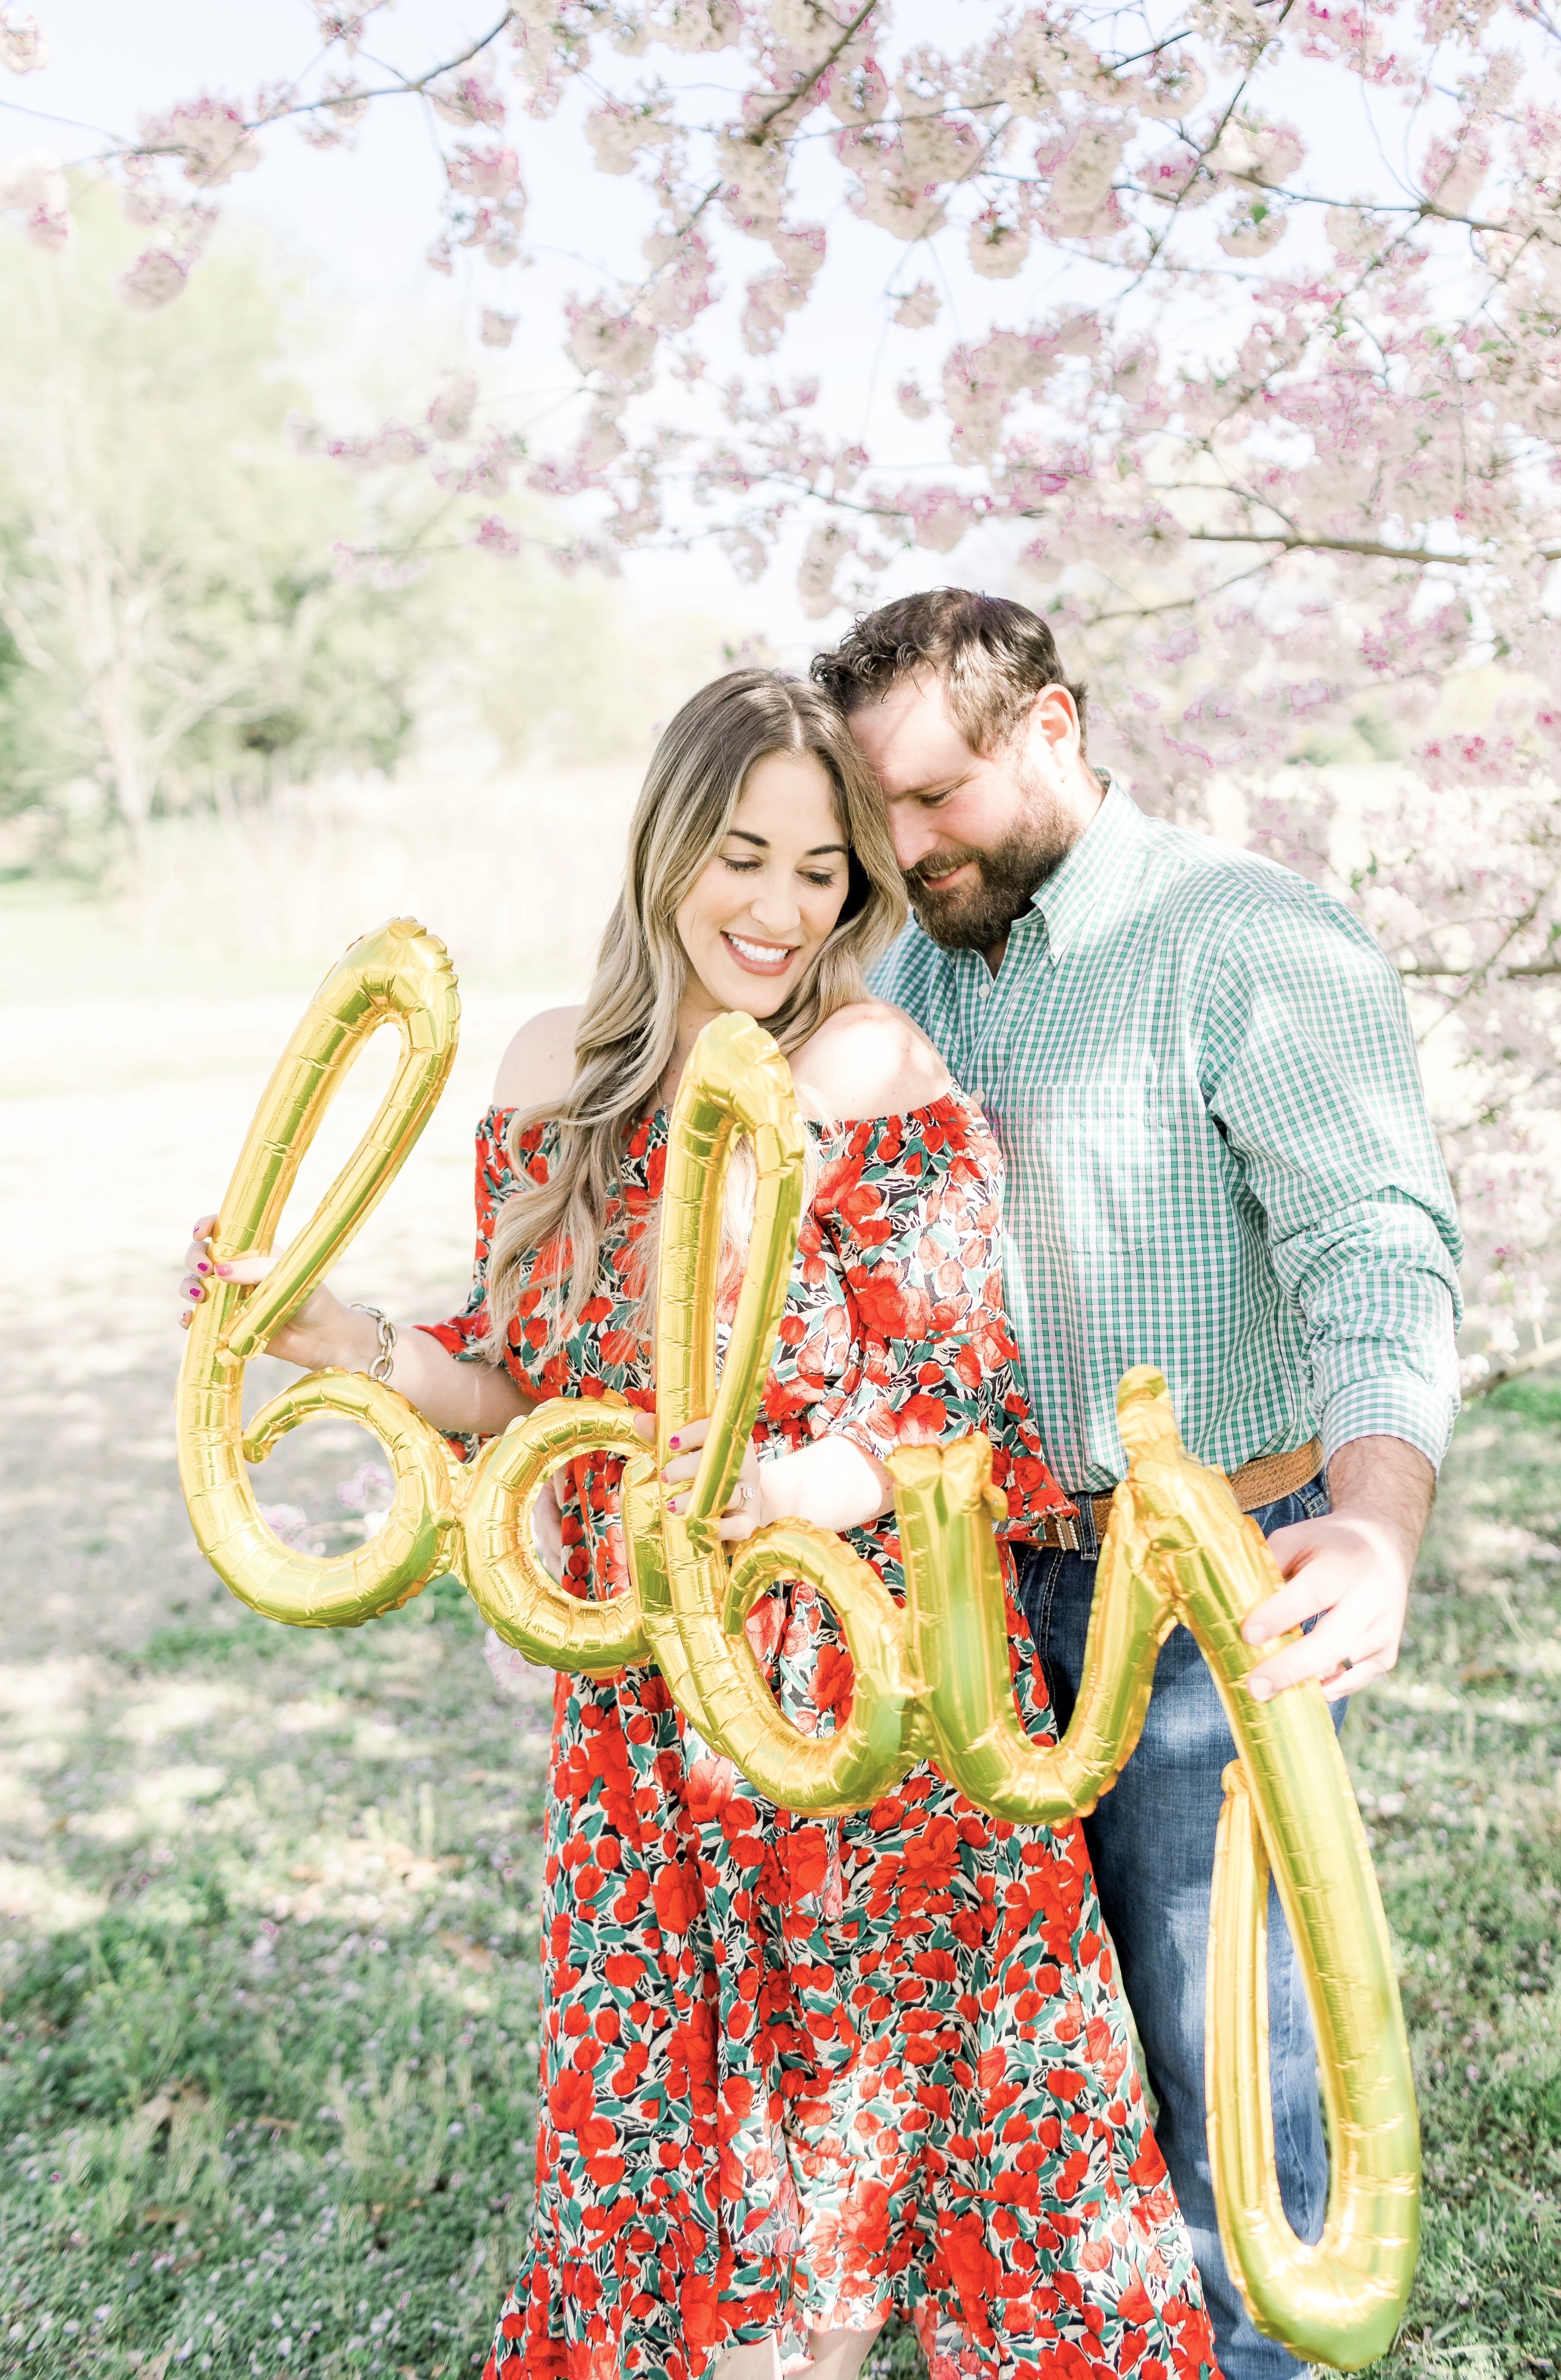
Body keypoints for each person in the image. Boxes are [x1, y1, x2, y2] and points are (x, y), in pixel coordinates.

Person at [179, 670, 1223, 2380]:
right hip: (646, 1704)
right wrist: (327, 1332)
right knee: (676, 2148)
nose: (781, 907)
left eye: (822, 873)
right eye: (746, 855)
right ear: (670, 846)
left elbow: (960, 1407)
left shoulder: (868, 1063)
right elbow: (521, 1385)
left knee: (898, 2144)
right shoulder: (554, 1077)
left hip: (852, 1685)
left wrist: (788, 1489)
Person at [811, 591, 1463, 2380]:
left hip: (1197, 1583)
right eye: (876, 813)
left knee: (1218, 2027)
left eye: (931, 798)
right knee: (1014, 2040)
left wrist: (1379, 1520)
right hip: (955, 1591)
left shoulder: (1244, 938)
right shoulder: (905, 973)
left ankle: (1260, 2354)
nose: (902, 846)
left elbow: (1377, 1248)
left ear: (1052, 729)